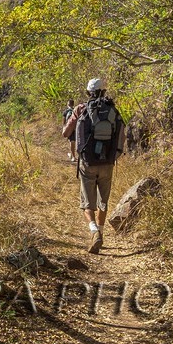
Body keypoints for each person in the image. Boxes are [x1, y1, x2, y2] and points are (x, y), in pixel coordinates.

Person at [63, 78, 124, 254]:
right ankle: (101, 232)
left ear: (88, 93)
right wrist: (115, 155)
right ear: (104, 91)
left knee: (87, 203)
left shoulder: (81, 109)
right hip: (108, 163)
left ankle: (93, 231)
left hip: (87, 162)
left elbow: (65, 133)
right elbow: (122, 135)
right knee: (103, 200)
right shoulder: (113, 109)